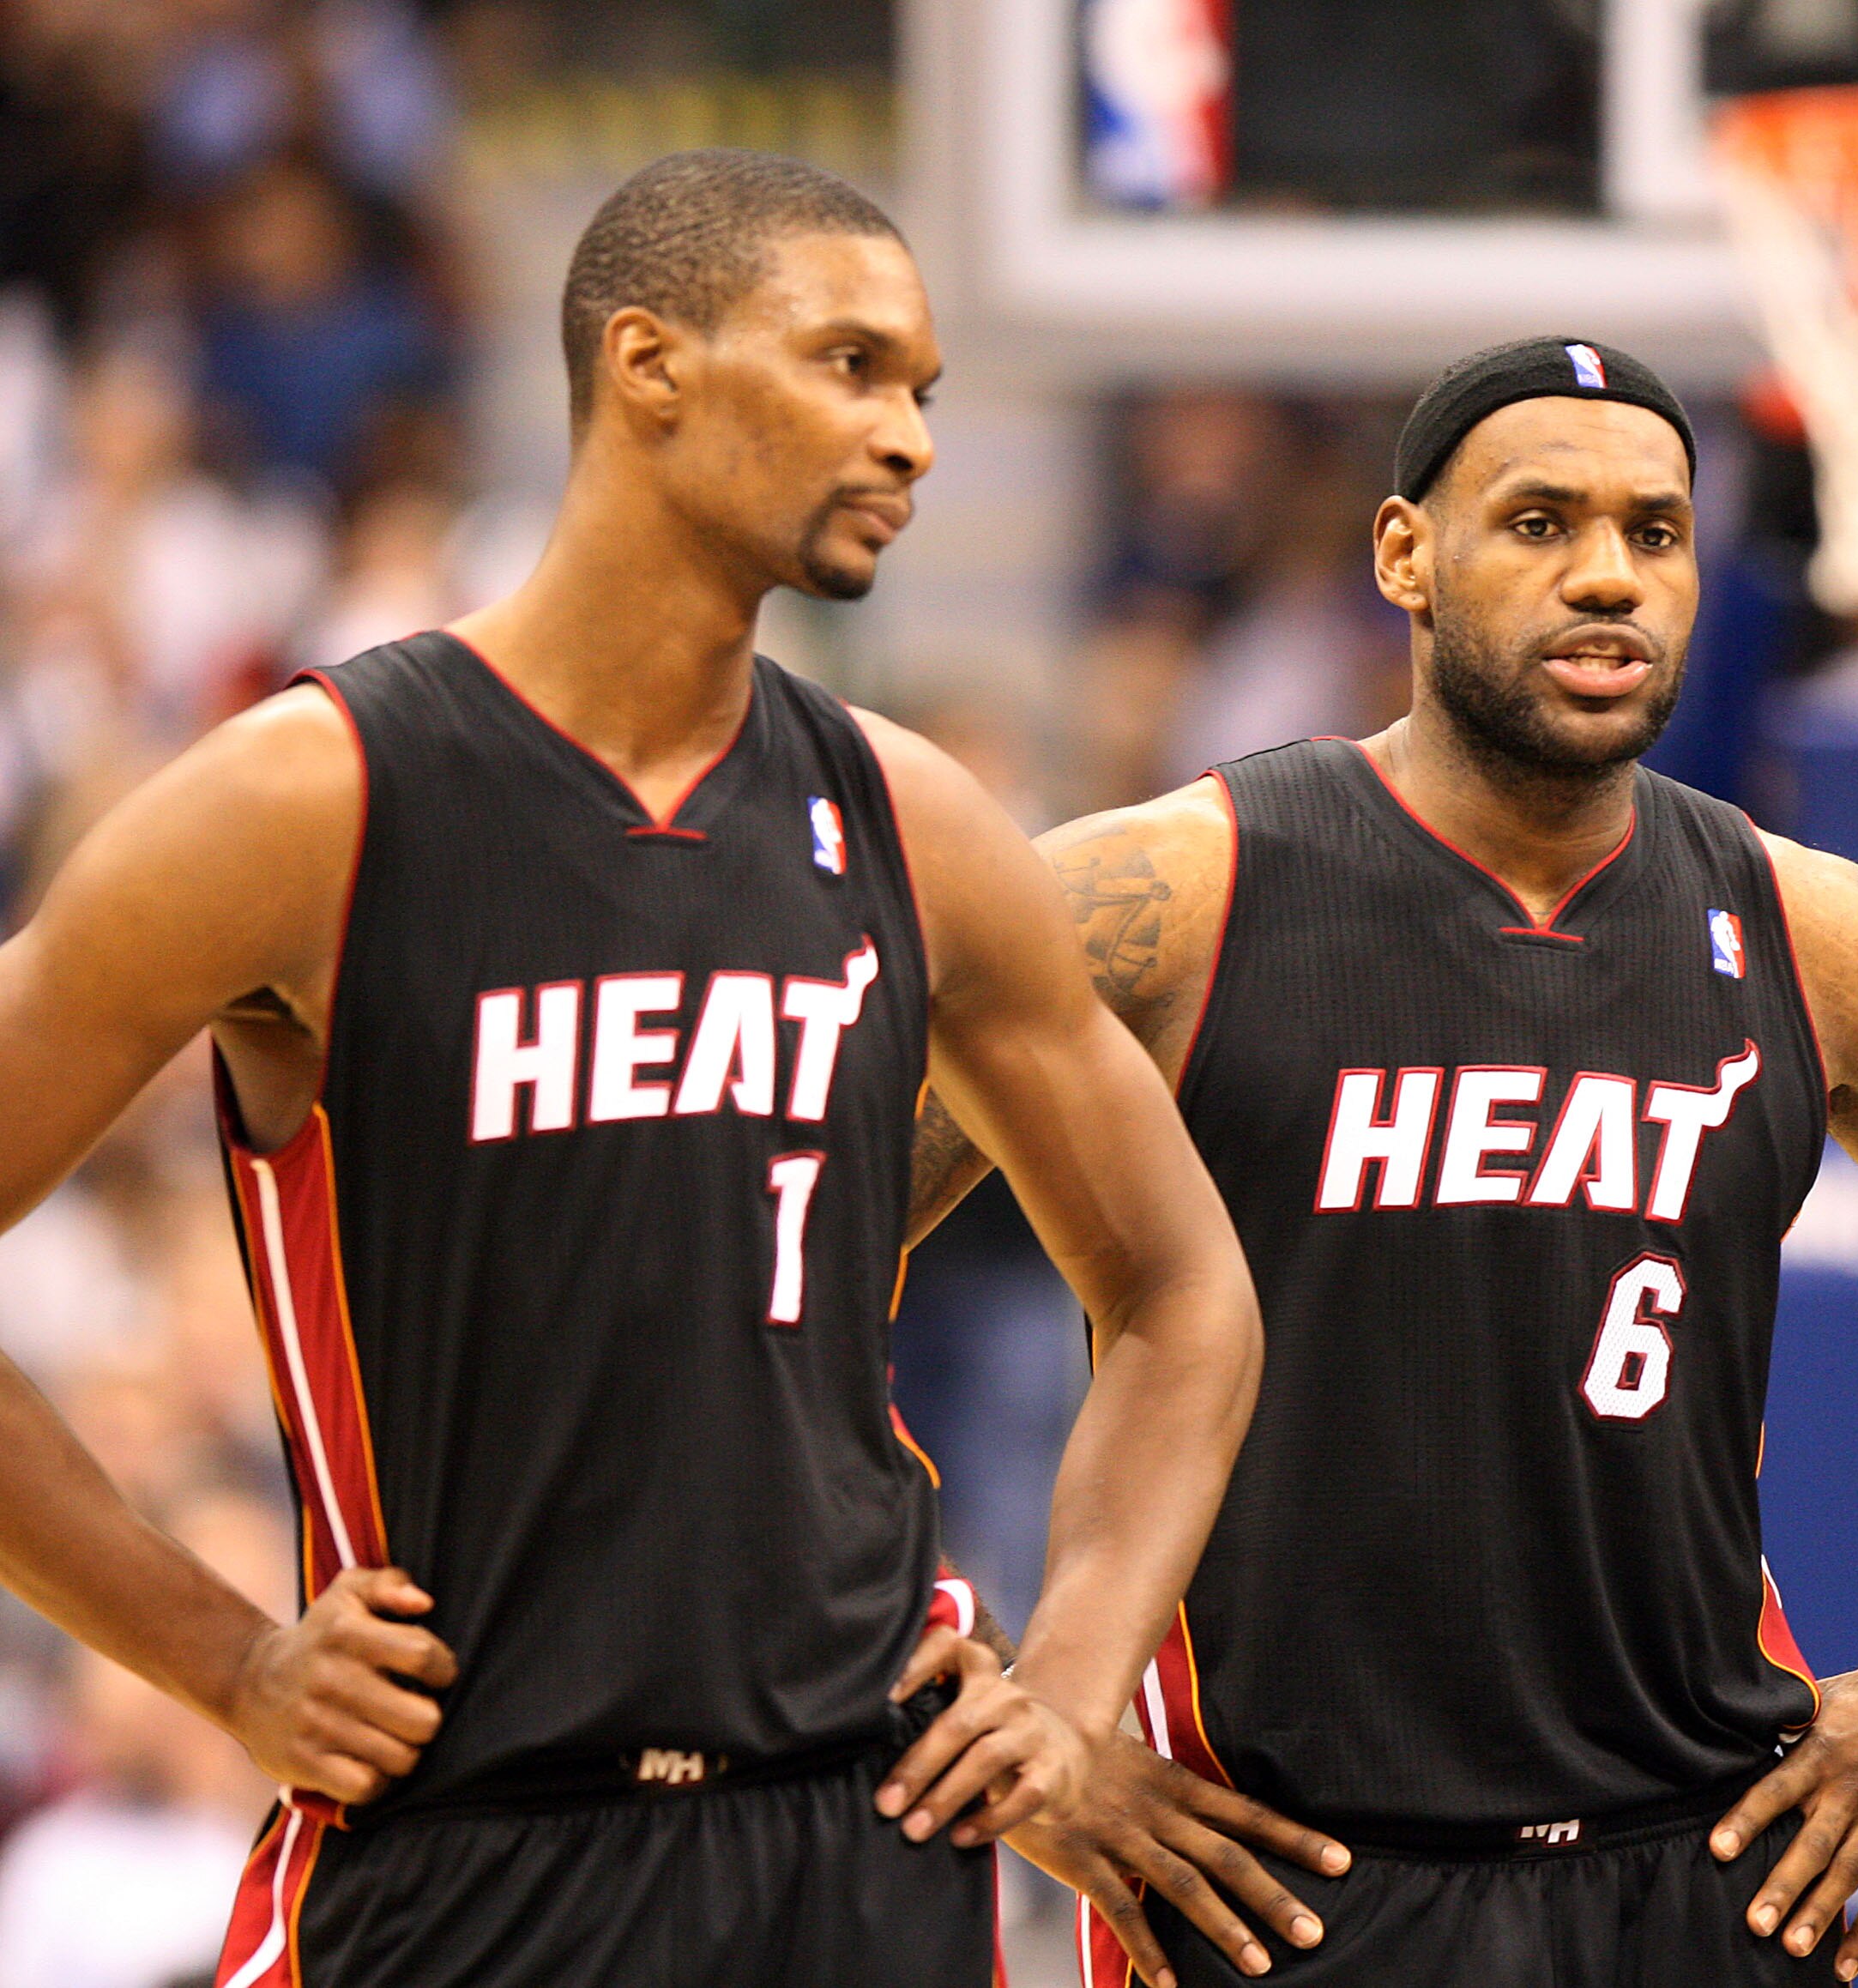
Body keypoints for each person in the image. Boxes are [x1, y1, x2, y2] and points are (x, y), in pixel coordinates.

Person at [0, 148, 1262, 1987]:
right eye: (848, 365)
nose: (906, 434)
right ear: (648, 364)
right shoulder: (309, 803)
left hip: (861, 1833)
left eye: (921, 388)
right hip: (465, 1843)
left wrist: (1069, 1680)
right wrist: (226, 1658)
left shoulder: (917, 822)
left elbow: (1183, 1291)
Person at [909, 335, 1858, 1985]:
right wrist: (1001, 1708)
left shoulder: (1818, 936)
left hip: (1702, 1863)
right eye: (1539, 523)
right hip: (1281, 1880)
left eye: (1655, 532)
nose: (1607, 577)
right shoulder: (1171, 898)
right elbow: (771, 1265)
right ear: (1403, 556)